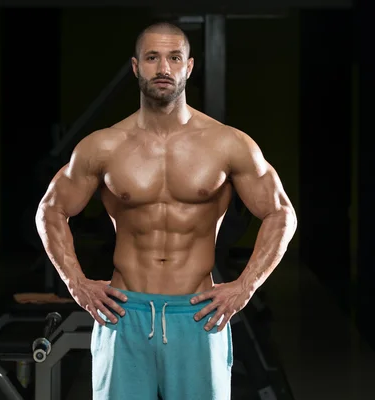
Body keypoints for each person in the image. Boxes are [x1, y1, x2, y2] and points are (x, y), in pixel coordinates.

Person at [35, 21, 297, 400]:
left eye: (174, 58)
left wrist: (245, 286)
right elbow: (51, 209)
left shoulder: (227, 144)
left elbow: (280, 213)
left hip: (196, 315)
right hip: (123, 316)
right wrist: (76, 283)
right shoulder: (104, 146)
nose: (163, 68)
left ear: (189, 67)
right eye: (152, 57)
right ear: (135, 66)